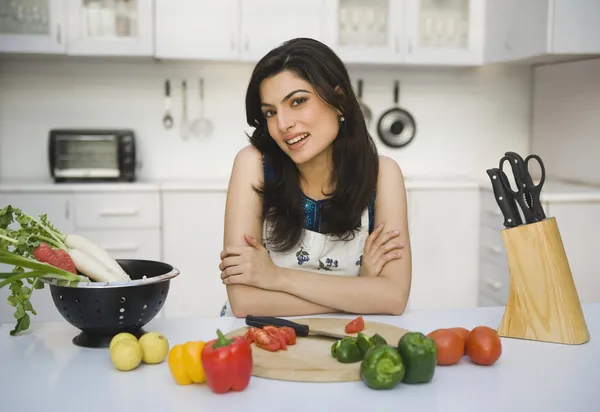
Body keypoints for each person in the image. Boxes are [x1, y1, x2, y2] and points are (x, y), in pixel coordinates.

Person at [218, 38, 411, 318]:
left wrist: (275, 278)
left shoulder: (383, 176)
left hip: (344, 344)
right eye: (270, 112)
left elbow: (393, 298)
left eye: (298, 101)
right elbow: (244, 303)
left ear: (339, 101)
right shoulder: (253, 165)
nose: (283, 124)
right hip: (263, 340)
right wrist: (361, 291)